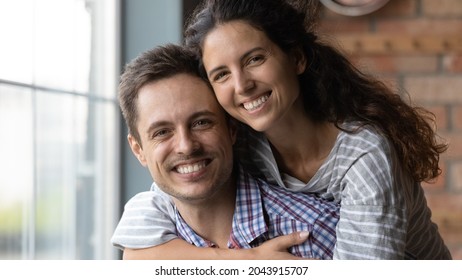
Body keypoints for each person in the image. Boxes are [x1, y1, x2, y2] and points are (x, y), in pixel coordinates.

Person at [113, 0, 452, 259]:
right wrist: (244, 263)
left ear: (296, 58)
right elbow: (143, 231)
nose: (242, 85)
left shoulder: (364, 158)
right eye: (222, 74)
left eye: (254, 59)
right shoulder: (241, 139)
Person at [112, 44, 339, 259]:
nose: (186, 146)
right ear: (138, 149)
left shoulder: (315, 231)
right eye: (162, 132)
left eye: (200, 123)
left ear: (232, 129)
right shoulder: (144, 234)